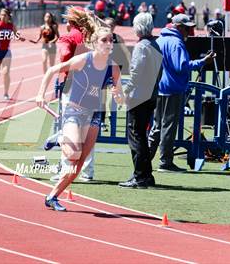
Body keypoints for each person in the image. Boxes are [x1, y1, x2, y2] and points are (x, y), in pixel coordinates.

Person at [36, 14, 122, 211]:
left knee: (78, 164)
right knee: (73, 153)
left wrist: (118, 96)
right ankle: (59, 138)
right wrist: (40, 94)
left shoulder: (113, 67)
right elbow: (52, 70)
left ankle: (52, 196)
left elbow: (119, 94)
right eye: (104, 40)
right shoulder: (84, 59)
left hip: (95, 115)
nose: (109, 43)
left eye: (111, 40)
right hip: (75, 110)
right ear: (94, 43)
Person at [148, 14, 214, 172]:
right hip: (173, 89)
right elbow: (181, 66)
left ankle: (144, 159)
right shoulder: (176, 43)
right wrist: (202, 62)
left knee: (156, 127)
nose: (189, 31)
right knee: (168, 127)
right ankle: (165, 162)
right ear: (178, 27)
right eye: (186, 28)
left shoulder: (160, 40)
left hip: (159, 88)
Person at [118, 13, 162, 188]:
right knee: (141, 136)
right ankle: (145, 175)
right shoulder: (156, 45)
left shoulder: (141, 47)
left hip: (139, 96)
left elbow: (135, 74)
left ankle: (140, 176)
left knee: (136, 137)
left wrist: (125, 91)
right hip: (151, 94)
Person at [0, 8, 25, 100]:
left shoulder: (12, 26)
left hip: (6, 52)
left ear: (9, 16)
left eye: (4, 15)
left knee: (6, 72)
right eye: (1, 15)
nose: (2, 17)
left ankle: (6, 93)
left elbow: (17, 35)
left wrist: (20, 38)